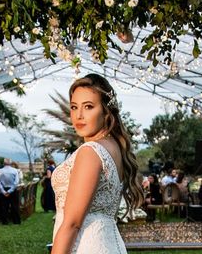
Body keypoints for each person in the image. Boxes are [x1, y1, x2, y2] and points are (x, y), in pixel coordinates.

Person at [51, 74, 143, 254]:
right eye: (74, 107)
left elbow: (72, 224)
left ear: (106, 111)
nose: (79, 115)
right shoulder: (114, 146)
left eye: (88, 107)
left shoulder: (90, 152)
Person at [0, 158, 21, 225]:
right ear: (10, 163)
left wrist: (3, 191)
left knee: (4, 206)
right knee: (14, 206)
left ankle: (4, 221)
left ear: (3, 163)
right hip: (12, 190)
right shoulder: (15, 171)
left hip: (4, 189)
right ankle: (16, 221)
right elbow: (16, 182)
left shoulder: (0, 171)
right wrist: (10, 191)